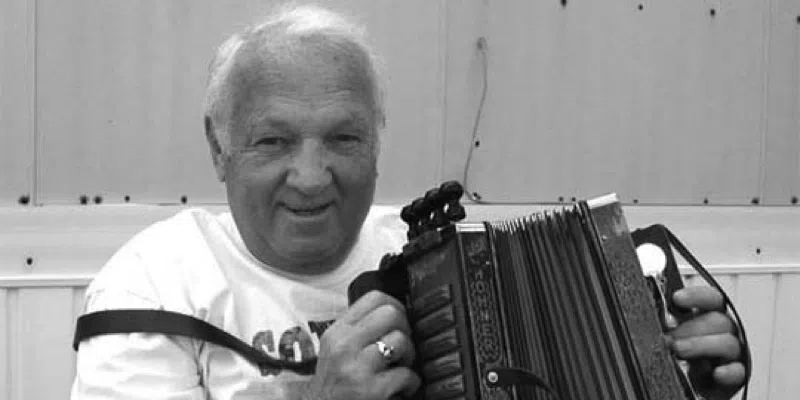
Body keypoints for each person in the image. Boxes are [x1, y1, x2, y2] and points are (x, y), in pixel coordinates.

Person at [71, 4, 747, 400]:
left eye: (343, 137)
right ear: (219, 147)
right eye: (273, 141)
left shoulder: (437, 256)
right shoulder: (156, 281)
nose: (311, 177)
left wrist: (666, 367)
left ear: (379, 143)